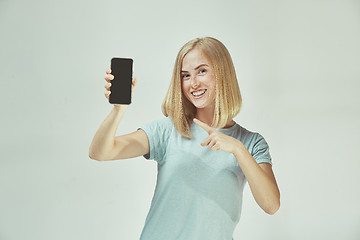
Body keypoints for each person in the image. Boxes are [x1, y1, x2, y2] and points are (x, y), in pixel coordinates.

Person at [89, 37, 280, 240]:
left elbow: (271, 205)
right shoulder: (167, 131)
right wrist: (118, 110)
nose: (193, 83)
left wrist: (238, 149)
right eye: (185, 75)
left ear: (223, 73)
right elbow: (100, 152)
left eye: (202, 71)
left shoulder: (251, 143)